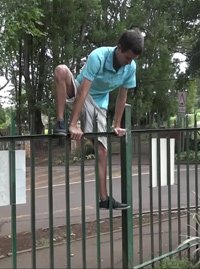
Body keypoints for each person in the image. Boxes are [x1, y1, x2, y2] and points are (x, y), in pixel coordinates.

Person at [53, 28, 144, 210]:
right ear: (119, 48)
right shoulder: (98, 56)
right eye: (127, 58)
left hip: (99, 104)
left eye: (132, 59)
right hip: (80, 92)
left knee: (102, 151)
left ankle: (104, 199)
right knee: (61, 71)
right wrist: (73, 124)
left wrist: (116, 124)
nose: (128, 63)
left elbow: (122, 97)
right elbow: (84, 91)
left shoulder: (130, 67)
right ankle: (60, 122)